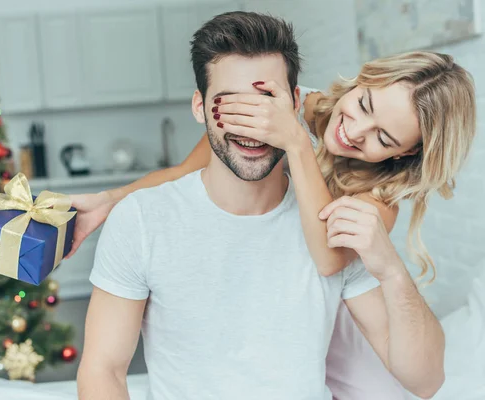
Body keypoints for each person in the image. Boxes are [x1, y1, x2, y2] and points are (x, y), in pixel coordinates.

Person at [76, 11, 448, 400]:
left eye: (267, 104)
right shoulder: (142, 220)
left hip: (338, 304)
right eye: (234, 105)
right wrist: (111, 201)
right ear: (201, 107)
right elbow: (103, 370)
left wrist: (391, 270)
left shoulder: (353, 218)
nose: (254, 123)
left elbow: (424, 379)